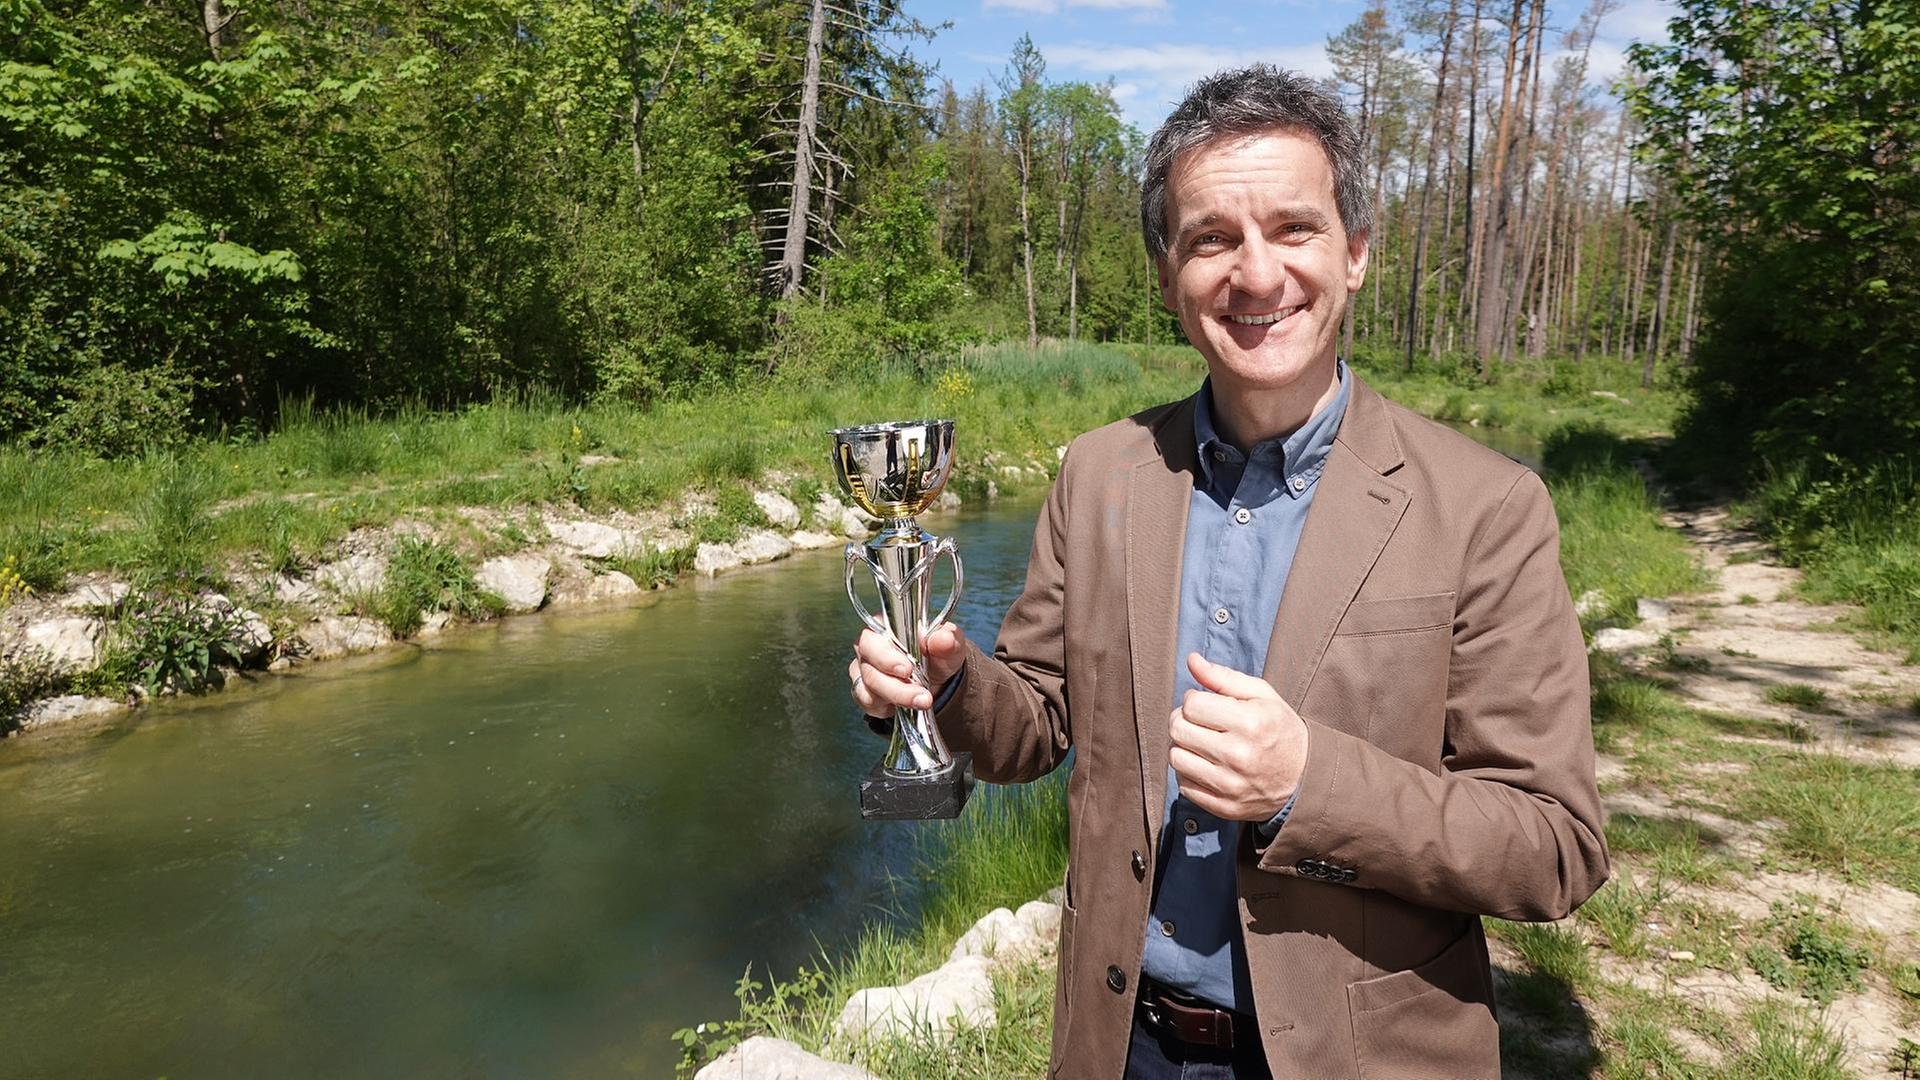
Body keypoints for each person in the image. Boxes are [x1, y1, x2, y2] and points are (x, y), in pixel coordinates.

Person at [849, 64, 1607, 1080]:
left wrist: (1308, 782)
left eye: (1294, 228)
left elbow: (1553, 845)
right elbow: (1034, 729)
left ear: (1358, 253)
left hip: (1363, 1057)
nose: (1257, 275)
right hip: (1125, 1045)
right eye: (1212, 237)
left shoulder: (1486, 508)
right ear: (1169, 275)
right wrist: (944, 687)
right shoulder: (1098, 474)